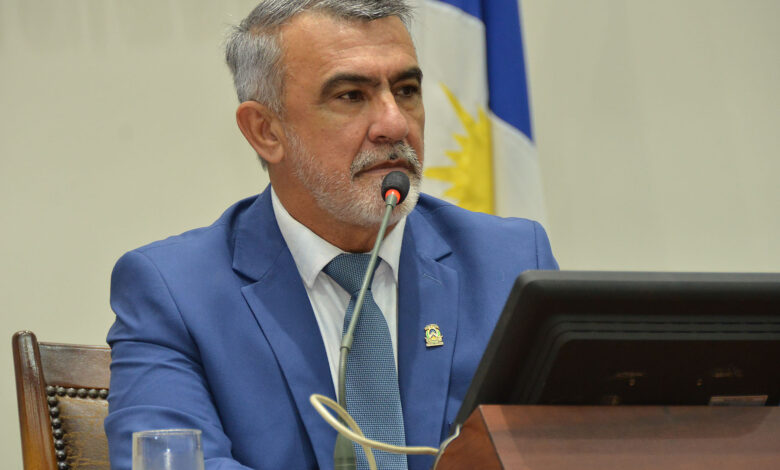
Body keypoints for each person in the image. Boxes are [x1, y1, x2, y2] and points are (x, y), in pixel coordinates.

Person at [104, 1, 558, 469]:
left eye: (406, 90)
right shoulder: (176, 292)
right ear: (265, 131)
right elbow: (170, 462)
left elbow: (569, 447)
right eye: (351, 96)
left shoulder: (508, 263)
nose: (395, 124)